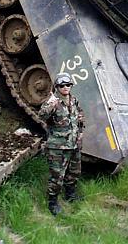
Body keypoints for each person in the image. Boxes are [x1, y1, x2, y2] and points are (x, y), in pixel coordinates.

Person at [38, 72, 84, 215]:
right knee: (57, 176)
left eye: (68, 85)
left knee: (74, 172)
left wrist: (81, 132)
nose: (65, 87)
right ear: (57, 87)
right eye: (62, 85)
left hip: (74, 144)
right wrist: (50, 104)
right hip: (58, 147)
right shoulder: (53, 102)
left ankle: (70, 195)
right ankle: (53, 203)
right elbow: (42, 116)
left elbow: (80, 116)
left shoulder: (74, 100)